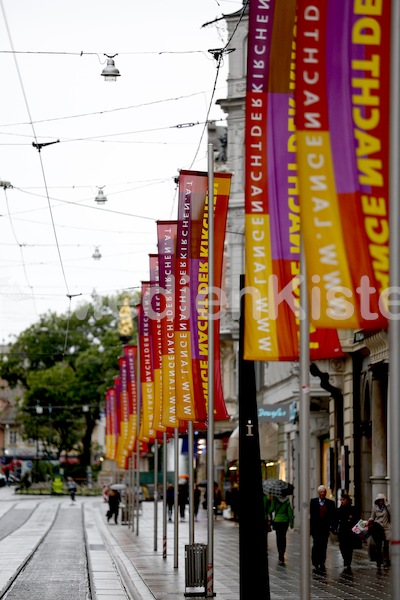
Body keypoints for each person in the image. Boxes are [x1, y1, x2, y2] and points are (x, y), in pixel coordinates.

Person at [310, 485, 336, 572]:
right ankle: (315, 561)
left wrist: (333, 526)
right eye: (321, 492)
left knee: (323, 545)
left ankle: (322, 562)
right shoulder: (313, 502)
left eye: (324, 492)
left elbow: (333, 516)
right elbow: (310, 516)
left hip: (325, 528)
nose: (323, 494)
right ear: (318, 493)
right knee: (316, 544)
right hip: (316, 529)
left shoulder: (330, 503)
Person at [266, 494, 294, 564]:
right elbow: (289, 512)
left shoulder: (275, 500)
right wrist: (291, 523)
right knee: (283, 537)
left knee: (278, 537)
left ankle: (280, 553)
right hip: (285, 521)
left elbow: (271, 510)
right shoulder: (287, 500)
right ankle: (283, 552)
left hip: (277, 521)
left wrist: (269, 507)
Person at [333, 494, 358, 571]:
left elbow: (356, 519)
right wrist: (334, 528)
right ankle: (345, 560)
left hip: (350, 531)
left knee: (349, 547)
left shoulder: (352, 509)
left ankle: (348, 562)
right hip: (342, 531)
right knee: (342, 546)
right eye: (341, 500)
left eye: (343, 499)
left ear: (347, 500)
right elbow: (336, 519)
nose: (342, 501)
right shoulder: (340, 509)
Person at [369, 492, 391, 570]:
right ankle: (379, 561)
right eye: (379, 500)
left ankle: (386, 561)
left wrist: (387, 505)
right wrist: (370, 521)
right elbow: (372, 517)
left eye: (382, 500)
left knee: (386, 546)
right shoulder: (375, 508)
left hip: (386, 528)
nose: (381, 502)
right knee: (378, 546)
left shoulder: (387, 507)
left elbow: (391, 514)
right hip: (378, 528)